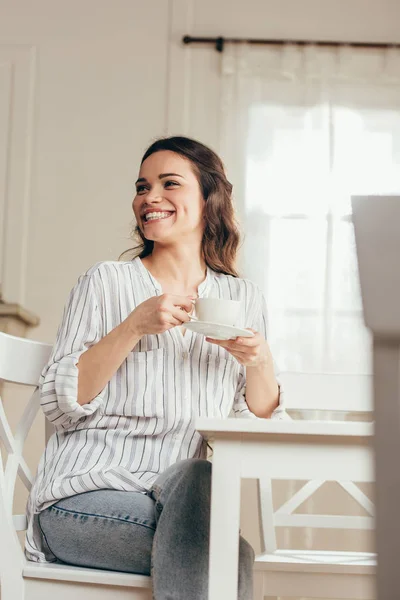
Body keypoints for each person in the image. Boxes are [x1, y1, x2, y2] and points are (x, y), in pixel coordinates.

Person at [25, 136, 287, 599]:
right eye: (142, 186)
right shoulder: (106, 282)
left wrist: (259, 362)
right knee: (227, 553)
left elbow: (255, 435)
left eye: (170, 184)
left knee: (200, 480)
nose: (150, 198)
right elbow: (61, 407)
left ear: (210, 199)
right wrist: (132, 327)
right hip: (80, 503)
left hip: (181, 497)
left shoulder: (243, 299)